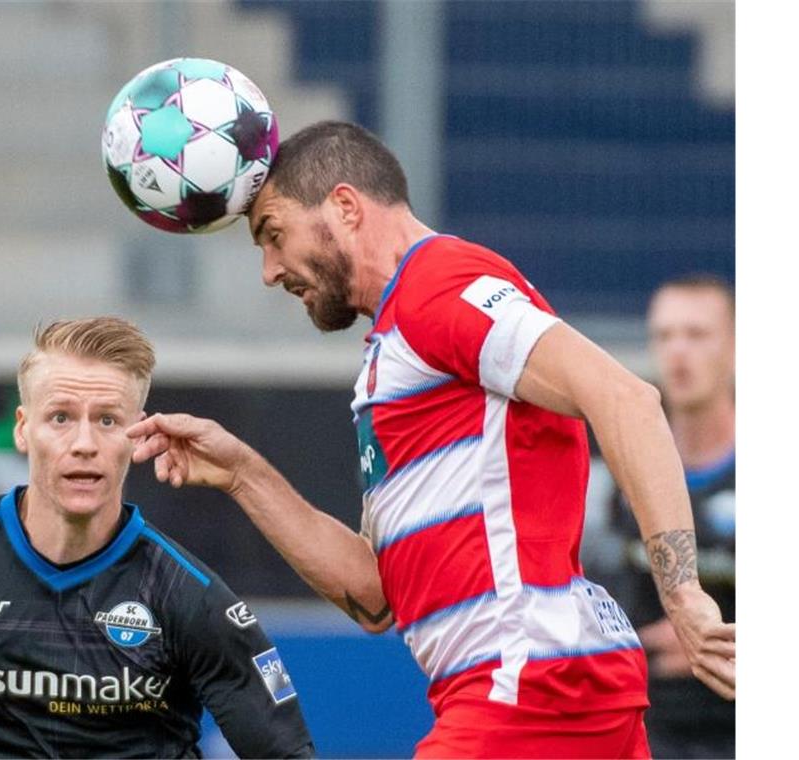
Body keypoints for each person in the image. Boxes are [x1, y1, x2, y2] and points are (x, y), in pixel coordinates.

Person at [126, 121, 735, 758]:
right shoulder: (392, 349)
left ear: (345, 207)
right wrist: (242, 473)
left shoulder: (436, 285)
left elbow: (626, 399)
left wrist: (683, 593)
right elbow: (376, 598)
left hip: (527, 680)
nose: (270, 271)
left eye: (274, 236)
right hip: (535, 683)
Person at [0, 317, 315, 759]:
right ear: (23, 428)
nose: (83, 443)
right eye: (60, 417)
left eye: (108, 420)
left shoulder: (188, 597)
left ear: (138, 437)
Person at [603, 275, 735, 758]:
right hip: (650, 729)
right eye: (665, 335)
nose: (678, 351)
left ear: (737, 345)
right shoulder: (622, 473)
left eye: (697, 335)